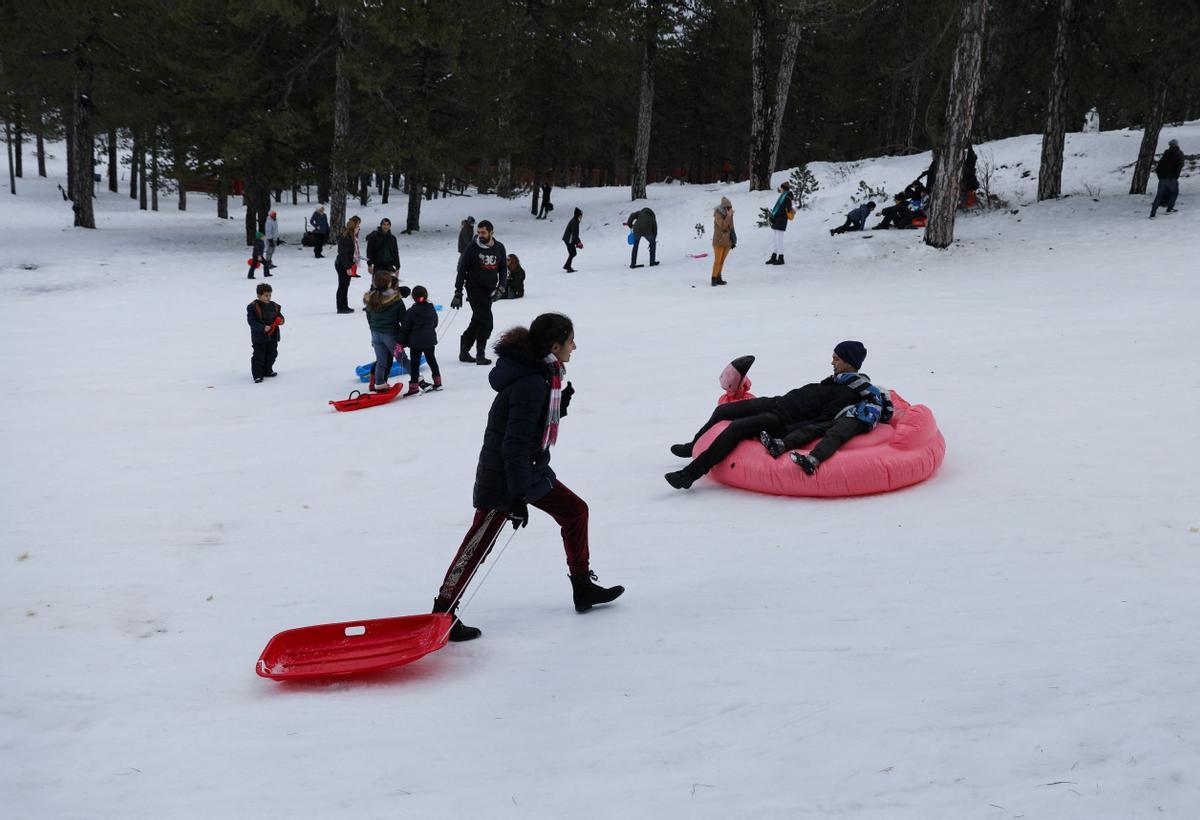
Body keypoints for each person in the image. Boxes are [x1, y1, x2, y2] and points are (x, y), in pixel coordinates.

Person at [431, 313, 624, 641]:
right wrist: (518, 497)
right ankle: (442, 613)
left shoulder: (542, 376)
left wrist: (558, 406)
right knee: (478, 544)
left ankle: (582, 588)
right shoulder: (532, 383)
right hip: (506, 477)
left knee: (575, 511)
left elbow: (528, 429)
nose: (574, 346)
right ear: (553, 345)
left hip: (528, 470)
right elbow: (515, 444)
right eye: (570, 341)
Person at [664, 342, 872, 490]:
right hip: (778, 402)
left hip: (782, 420)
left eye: (837, 358)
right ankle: (693, 445)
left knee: (736, 428)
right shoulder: (838, 380)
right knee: (723, 411)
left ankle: (690, 475)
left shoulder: (848, 392)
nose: (832, 362)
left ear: (849, 362)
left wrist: (788, 433)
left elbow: (821, 421)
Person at [759, 350, 893, 475]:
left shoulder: (868, 387)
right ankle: (782, 445)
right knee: (814, 428)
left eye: (836, 359)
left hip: (860, 419)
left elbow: (887, 412)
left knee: (835, 435)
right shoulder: (858, 392)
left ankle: (813, 459)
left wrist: (880, 415)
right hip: (845, 414)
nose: (832, 363)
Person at [452, 219, 507, 365]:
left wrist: (501, 287)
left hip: (490, 289)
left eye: (483, 232)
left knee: (477, 319)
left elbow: (503, 269)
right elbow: (462, 270)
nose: (480, 235)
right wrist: (458, 292)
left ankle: (464, 348)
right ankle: (480, 354)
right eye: (478, 232)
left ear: (491, 232)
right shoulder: (472, 248)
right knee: (486, 321)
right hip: (474, 288)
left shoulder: (499, 248)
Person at [363, 271, 408, 392]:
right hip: (391, 335)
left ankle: (379, 383)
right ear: (389, 283)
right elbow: (404, 319)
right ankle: (417, 378)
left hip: (375, 334)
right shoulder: (396, 300)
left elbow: (369, 317)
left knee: (381, 360)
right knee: (401, 358)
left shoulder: (370, 298)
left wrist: (373, 329)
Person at [399, 285, 440, 394]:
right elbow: (435, 323)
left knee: (415, 364)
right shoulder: (431, 308)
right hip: (429, 340)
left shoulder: (410, 312)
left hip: (415, 343)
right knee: (432, 360)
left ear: (413, 297)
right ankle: (438, 382)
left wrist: (400, 342)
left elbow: (405, 329)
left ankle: (414, 386)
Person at [246, 282, 284, 383]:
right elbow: (251, 321)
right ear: (259, 295)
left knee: (272, 354)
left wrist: (281, 320)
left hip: (273, 336)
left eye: (270, 295)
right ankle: (258, 375)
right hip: (259, 337)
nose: (268, 297)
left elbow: (280, 316)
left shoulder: (274, 306)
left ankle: (268, 370)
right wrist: (262, 327)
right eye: (266, 295)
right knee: (259, 355)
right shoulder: (252, 307)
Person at [1150, 138, 1184, 218]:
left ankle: (1152, 213)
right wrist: (1175, 176)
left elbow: (1159, 167)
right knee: (1174, 193)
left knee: (1159, 196)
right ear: (1177, 145)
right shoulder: (1179, 153)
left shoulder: (1165, 154)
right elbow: (1179, 166)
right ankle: (1169, 209)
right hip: (1172, 178)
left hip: (1162, 178)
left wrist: (1160, 176)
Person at [335, 215, 361, 314]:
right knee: (343, 285)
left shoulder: (353, 237)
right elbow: (343, 254)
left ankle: (344, 305)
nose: (359, 228)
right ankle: (341, 307)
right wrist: (348, 267)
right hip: (342, 264)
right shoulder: (346, 237)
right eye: (358, 225)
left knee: (346, 285)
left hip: (347, 263)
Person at [766, 181, 794, 265]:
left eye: (781, 188)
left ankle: (781, 258)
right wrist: (772, 217)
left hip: (781, 220)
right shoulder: (783, 196)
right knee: (775, 239)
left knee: (779, 240)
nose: (780, 189)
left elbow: (782, 210)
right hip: (777, 220)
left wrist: (774, 216)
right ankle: (774, 256)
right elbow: (778, 208)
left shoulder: (787, 197)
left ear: (784, 188)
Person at [711, 196, 734, 286]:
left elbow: (731, 227)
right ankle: (713, 278)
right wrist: (728, 216)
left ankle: (718, 277)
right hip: (719, 241)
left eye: (730, 207)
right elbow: (723, 226)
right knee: (717, 260)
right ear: (723, 207)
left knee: (722, 261)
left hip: (727, 241)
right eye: (727, 207)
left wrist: (733, 240)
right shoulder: (718, 214)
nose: (729, 209)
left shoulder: (730, 214)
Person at [562, 207, 582, 272]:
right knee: (572, 253)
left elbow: (574, 234)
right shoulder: (575, 222)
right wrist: (578, 243)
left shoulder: (575, 220)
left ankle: (567, 266)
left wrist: (577, 243)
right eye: (581, 215)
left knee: (572, 253)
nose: (581, 216)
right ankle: (567, 267)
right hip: (568, 240)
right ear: (578, 215)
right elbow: (574, 234)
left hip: (568, 239)